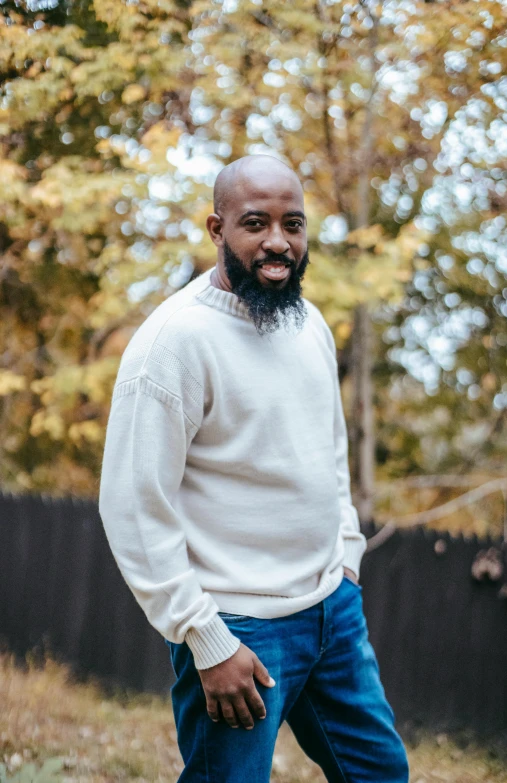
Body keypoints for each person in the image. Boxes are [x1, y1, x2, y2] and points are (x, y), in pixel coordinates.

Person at [98, 155, 409, 782]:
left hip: (332, 613)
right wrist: (205, 639)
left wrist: (345, 560)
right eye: (254, 223)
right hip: (237, 631)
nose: (277, 242)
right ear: (217, 230)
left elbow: (329, 452)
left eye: (292, 224)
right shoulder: (173, 345)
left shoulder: (309, 324)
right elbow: (133, 507)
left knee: (381, 775)